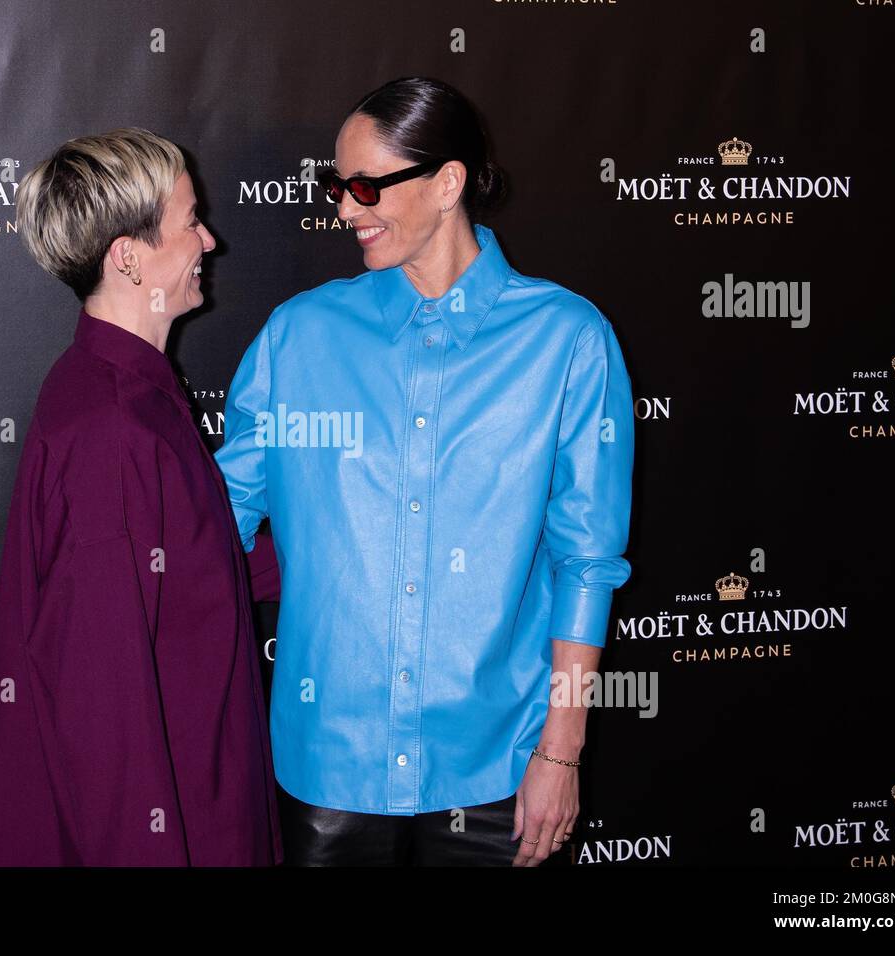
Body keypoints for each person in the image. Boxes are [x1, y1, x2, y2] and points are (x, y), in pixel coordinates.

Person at [215, 77, 635, 866]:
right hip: (325, 772)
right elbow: (212, 529)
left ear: (448, 183)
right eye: (336, 186)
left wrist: (562, 750)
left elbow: (587, 562)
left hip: (498, 770)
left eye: (367, 185)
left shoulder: (566, 340)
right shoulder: (296, 338)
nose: (344, 209)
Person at [0, 128, 282, 866]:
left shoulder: (128, 392)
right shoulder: (110, 426)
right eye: (188, 222)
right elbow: (99, 703)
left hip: (201, 795)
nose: (209, 240)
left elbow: (184, 573)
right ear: (129, 256)